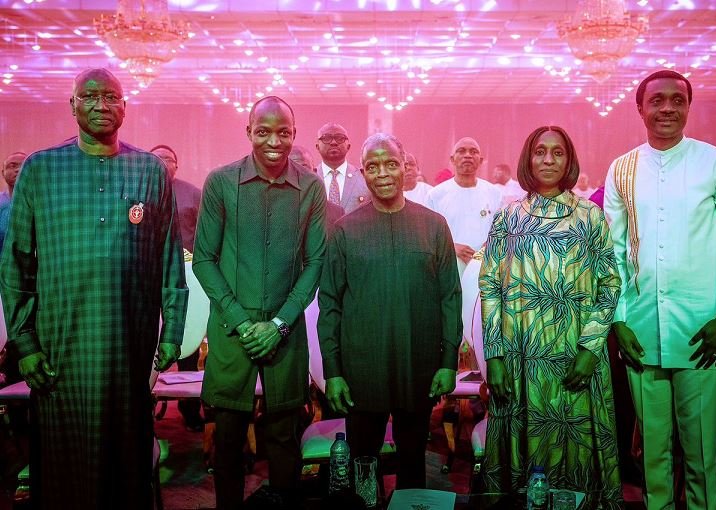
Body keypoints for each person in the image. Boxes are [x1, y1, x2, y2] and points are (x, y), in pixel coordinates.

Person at [0, 68, 188, 510]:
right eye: (89, 97)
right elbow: (16, 266)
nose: (101, 105)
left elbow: (169, 262)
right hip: (60, 352)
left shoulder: (149, 171)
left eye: (111, 97)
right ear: (72, 106)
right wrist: (25, 345)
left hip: (129, 349)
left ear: (125, 106)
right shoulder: (41, 169)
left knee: (128, 466)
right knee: (66, 467)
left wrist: (172, 335)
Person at [604, 69, 716, 510]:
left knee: (701, 460)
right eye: (657, 101)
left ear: (689, 107)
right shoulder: (623, 168)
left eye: (677, 100)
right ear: (640, 109)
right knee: (652, 457)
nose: (667, 108)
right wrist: (618, 320)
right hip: (642, 334)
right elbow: (613, 254)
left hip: (704, 335)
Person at [193, 96, 326, 509]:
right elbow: (203, 260)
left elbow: (315, 261)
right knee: (229, 436)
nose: (274, 140)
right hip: (234, 331)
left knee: (284, 434)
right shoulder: (221, 182)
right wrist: (241, 320)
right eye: (264, 130)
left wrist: (281, 323)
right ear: (248, 131)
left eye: (283, 132)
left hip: (285, 331)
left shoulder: (310, 187)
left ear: (294, 135)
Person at [480, 126, 622, 509]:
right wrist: (493, 356)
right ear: (528, 158)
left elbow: (610, 284)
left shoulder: (590, 216)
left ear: (568, 160)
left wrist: (592, 348)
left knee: (576, 451)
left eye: (557, 152)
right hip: (520, 354)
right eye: (540, 152)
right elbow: (490, 284)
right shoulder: (508, 217)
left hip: (577, 354)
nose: (548, 160)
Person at [318, 133, 462, 489]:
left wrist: (447, 363)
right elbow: (330, 305)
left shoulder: (433, 225)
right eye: (372, 166)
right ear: (363, 172)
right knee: (362, 464)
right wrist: (333, 372)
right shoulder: (344, 231)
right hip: (361, 371)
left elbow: (450, 297)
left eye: (391, 164)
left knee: (414, 461)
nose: (382, 173)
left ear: (404, 168)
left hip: (419, 367)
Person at [149, 143, 205, 432]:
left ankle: (189, 408)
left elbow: (204, 234)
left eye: (168, 158)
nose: (162, 162)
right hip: (147, 280)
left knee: (188, 346)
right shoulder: (139, 188)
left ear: (176, 164)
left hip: (187, 281)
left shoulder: (193, 193)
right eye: (156, 158)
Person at [427, 138, 503, 270]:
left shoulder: (494, 193)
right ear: (452, 159)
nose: (467, 155)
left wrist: (491, 244)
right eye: (461, 151)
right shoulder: (436, 195)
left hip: (486, 266)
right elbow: (428, 234)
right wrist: (451, 247)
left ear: (480, 160)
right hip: (448, 265)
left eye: (473, 151)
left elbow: (503, 230)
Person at [316, 123, 370, 214]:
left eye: (340, 138)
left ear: (348, 146)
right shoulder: (309, 177)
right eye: (326, 138)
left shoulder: (364, 178)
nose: (333, 142)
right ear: (317, 147)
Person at [291, 144, 344, 227]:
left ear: (315, 172)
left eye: (304, 168)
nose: (298, 175)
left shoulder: (336, 213)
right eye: (292, 169)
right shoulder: (272, 209)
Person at [0, 152, 26, 252]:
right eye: (12, 165)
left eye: (24, 166)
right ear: (3, 173)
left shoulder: (41, 203)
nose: (18, 170)